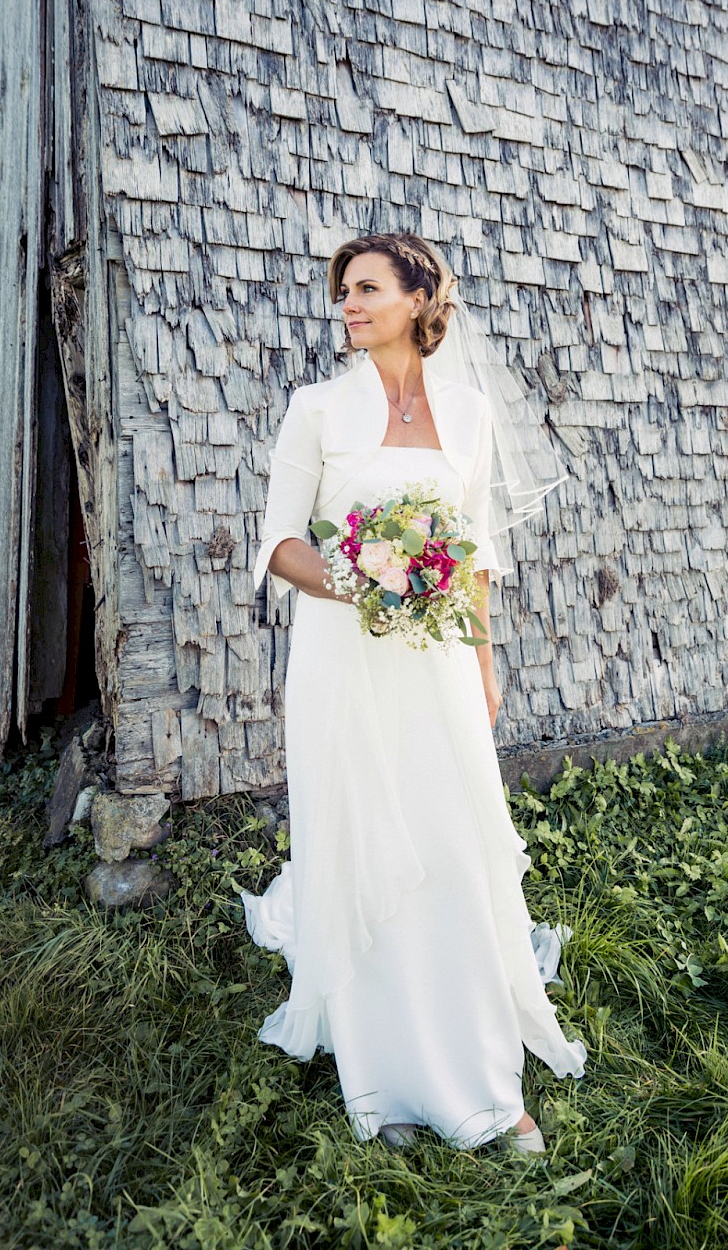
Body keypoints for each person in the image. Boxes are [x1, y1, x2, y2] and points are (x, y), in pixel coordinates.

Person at [240, 231, 587, 1155]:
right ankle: (384, 1080)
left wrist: (482, 658)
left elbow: (472, 553)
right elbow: (278, 544)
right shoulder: (315, 409)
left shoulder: (468, 414)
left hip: (434, 663)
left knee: (448, 844)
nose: (346, 305)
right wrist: (362, 579)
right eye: (341, 291)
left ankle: (483, 1080)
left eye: (365, 288)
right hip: (339, 657)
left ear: (418, 295)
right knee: (361, 842)